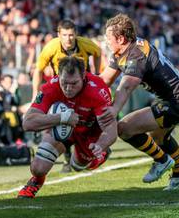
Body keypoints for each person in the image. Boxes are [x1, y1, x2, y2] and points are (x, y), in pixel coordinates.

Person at [99, 14, 179, 191]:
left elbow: (126, 87)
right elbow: (104, 80)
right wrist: (83, 84)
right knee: (159, 138)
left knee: (124, 128)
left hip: (177, 101)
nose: (106, 41)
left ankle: (162, 160)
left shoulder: (136, 54)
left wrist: (113, 110)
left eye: (108, 37)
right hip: (178, 97)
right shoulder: (123, 50)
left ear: (120, 38)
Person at [17, 56, 117, 198]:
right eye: (64, 82)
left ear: (83, 76)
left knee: (78, 166)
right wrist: (61, 118)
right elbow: (27, 123)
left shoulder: (98, 90)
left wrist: (101, 145)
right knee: (37, 168)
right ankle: (35, 183)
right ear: (58, 75)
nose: (68, 88)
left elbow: (111, 130)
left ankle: (101, 155)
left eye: (74, 83)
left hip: (89, 133)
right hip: (62, 128)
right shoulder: (51, 87)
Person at [32, 19, 102, 173]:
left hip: (83, 88)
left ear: (76, 34)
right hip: (61, 89)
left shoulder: (86, 44)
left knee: (85, 121)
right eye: (65, 35)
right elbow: (38, 70)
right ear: (58, 35)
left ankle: (92, 149)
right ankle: (67, 158)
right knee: (61, 121)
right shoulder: (50, 47)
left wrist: (96, 74)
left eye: (71, 35)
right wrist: (35, 93)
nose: (68, 39)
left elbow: (98, 52)